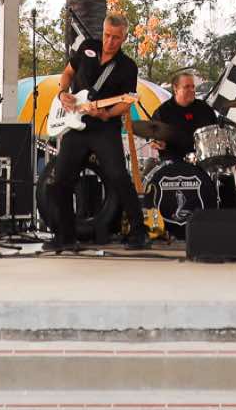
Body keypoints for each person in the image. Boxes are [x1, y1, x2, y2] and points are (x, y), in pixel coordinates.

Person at [44, 15, 149, 252]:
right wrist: (62, 93)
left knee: (118, 176)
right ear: (102, 31)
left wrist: (107, 113)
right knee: (61, 179)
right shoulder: (87, 47)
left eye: (116, 38)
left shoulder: (127, 67)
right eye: (107, 35)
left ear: (124, 38)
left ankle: (138, 232)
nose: (110, 41)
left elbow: (126, 102)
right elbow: (67, 73)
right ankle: (65, 237)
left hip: (104, 127)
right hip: (75, 124)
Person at [150, 71, 219, 160]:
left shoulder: (204, 108)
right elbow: (152, 136)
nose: (192, 90)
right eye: (187, 87)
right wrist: (156, 142)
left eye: (193, 87)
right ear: (175, 89)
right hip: (174, 162)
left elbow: (216, 130)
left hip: (204, 161)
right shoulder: (162, 112)